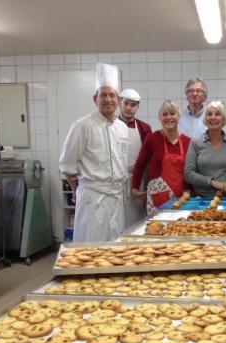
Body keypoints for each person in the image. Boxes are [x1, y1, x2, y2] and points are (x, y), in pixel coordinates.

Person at [59, 63, 129, 242]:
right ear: (95, 98)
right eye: (103, 95)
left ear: (118, 99)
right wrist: (77, 190)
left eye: (112, 95)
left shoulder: (122, 127)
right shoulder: (83, 125)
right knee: (91, 245)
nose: (108, 99)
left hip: (116, 196)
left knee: (114, 244)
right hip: (92, 197)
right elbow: (67, 165)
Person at [132, 100, 191, 212]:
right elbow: (140, 164)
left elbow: (190, 171)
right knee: (157, 228)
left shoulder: (187, 141)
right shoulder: (152, 139)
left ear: (178, 116)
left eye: (172, 113)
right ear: (160, 118)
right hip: (158, 197)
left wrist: (191, 192)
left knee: (181, 228)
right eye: (165, 114)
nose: (169, 117)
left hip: (182, 198)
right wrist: (135, 187)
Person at [184, 100, 226, 197]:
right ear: (205, 119)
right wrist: (213, 182)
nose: (213, 117)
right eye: (209, 114)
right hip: (203, 200)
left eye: (217, 114)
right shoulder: (195, 143)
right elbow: (188, 174)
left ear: (223, 119)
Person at [118, 88, 152, 227]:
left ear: (137, 107)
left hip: (137, 181)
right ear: (120, 102)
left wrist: (148, 183)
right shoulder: (109, 125)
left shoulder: (144, 128)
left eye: (133, 105)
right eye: (126, 103)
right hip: (116, 181)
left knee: (137, 221)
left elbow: (149, 159)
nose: (129, 108)